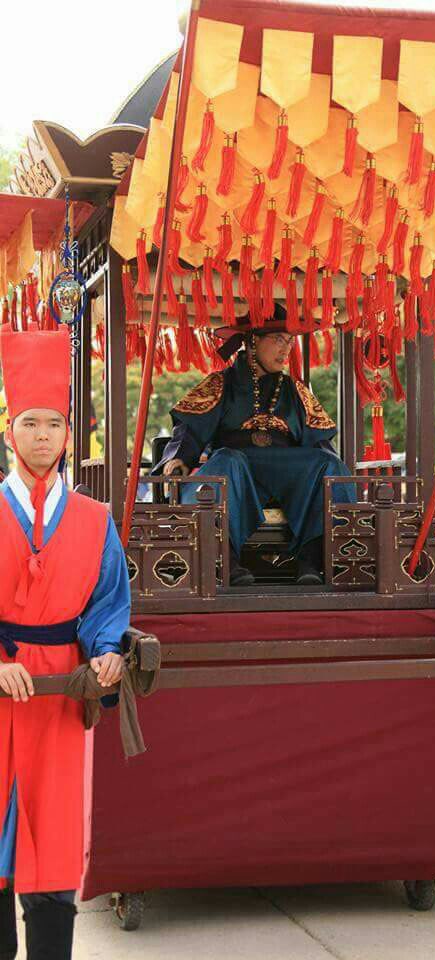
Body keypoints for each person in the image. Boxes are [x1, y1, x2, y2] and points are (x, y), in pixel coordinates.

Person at [0, 325, 130, 960]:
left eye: (53, 423)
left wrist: (107, 651)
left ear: (68, 436)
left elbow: (108, 602)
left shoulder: (94, 519)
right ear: (9, 433)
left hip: (60, 691)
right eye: (30, 423)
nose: (42, 435)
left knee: (53, 835)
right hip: (1, 685)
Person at [156, 305, 355, 586]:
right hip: (238, 467)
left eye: (289, 341)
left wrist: (334, 470)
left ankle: (313, 558)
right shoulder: (220, 383)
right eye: (277, 340)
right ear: (252, 341)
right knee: (226, 459)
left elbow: (319, 441)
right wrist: (178, 459)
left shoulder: (296, 390)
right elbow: (189, 431)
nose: (285, 350)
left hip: (287, 470)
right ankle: (226, 558)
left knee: (330, 465)